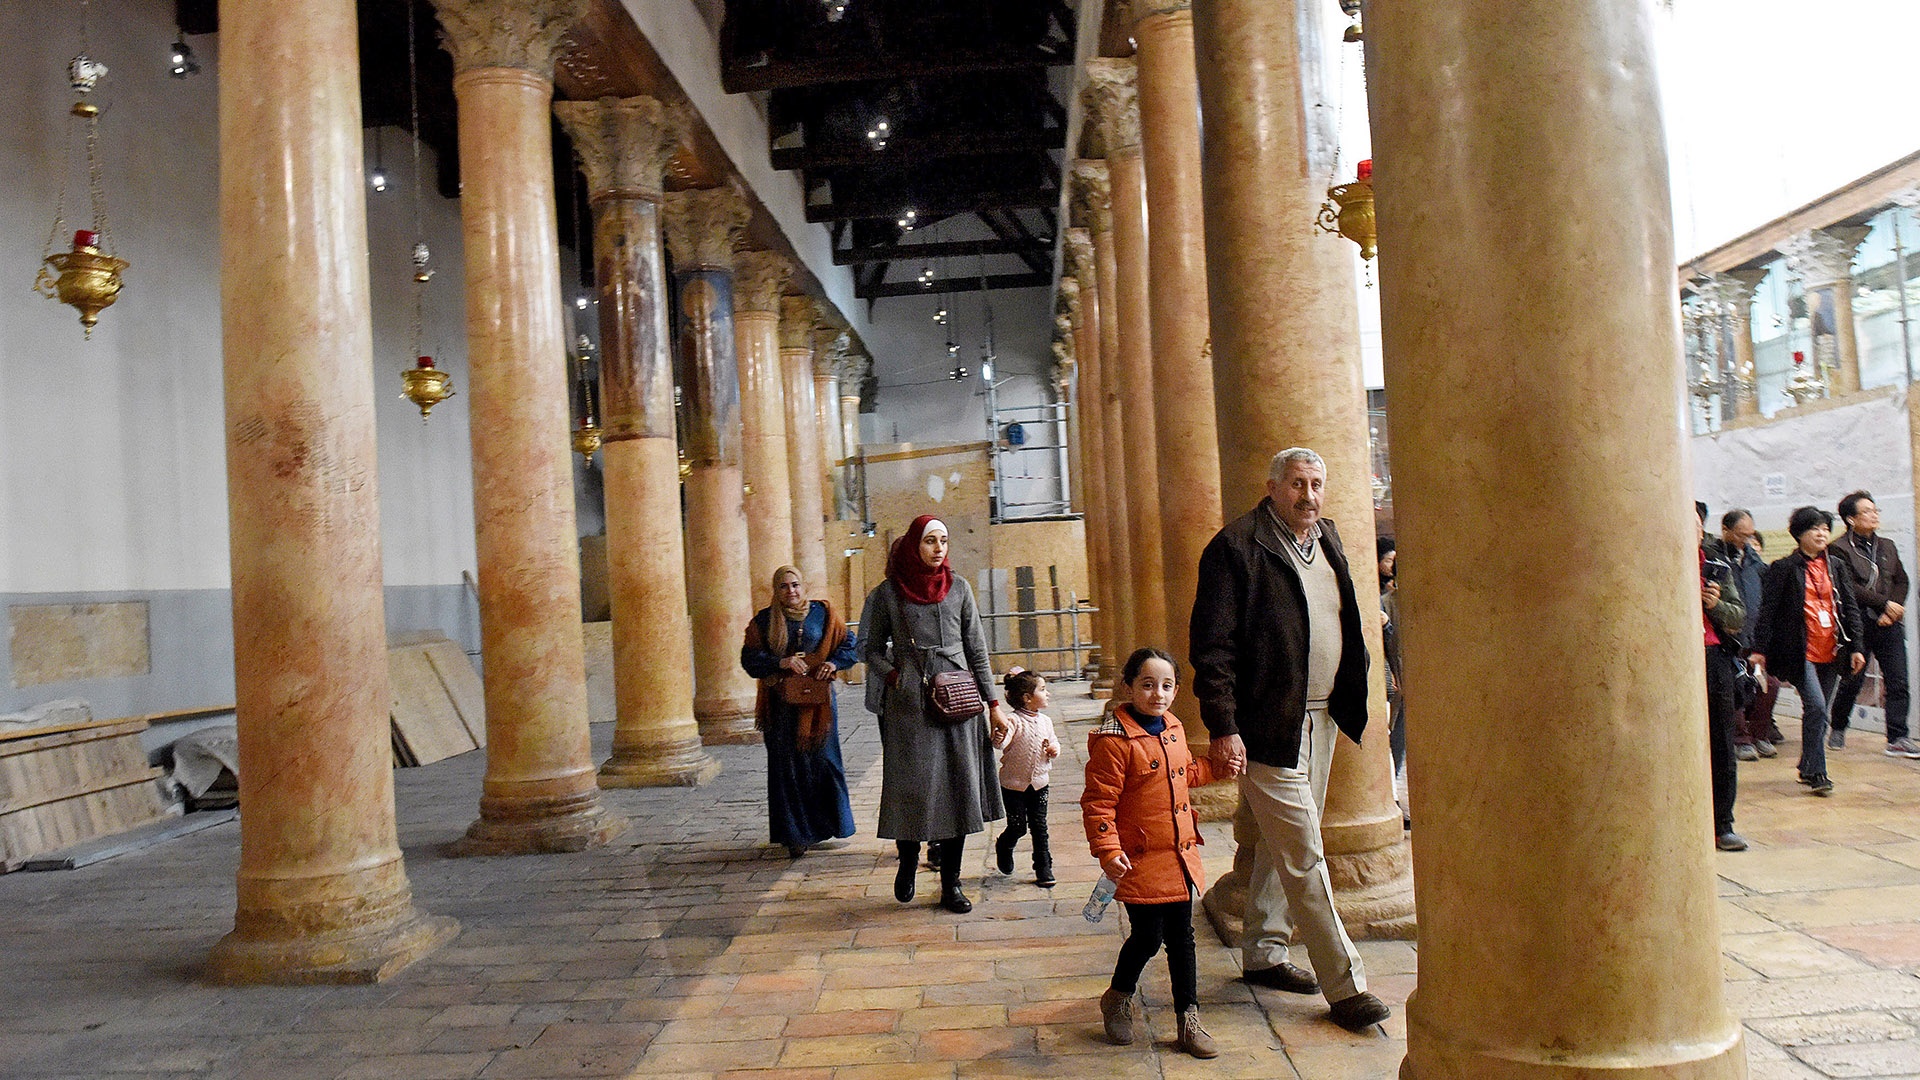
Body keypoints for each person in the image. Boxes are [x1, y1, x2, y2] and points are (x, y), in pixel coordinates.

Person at [1189, 447, 1392, 1034]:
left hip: (1323, 717)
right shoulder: (1237, 547)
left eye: (1318, 484)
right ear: (1273, 487)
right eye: (1298, 484)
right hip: (1265, 727)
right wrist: (1224, 726)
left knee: (1281, 842)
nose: (1309, 495)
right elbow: (1214, 648)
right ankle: (1346, 984)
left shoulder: (1325, 537)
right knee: (1304, 849)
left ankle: (1264, 952)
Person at [1082, 648, 1233, 1059]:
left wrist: (1217, 768)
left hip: (1179, 856)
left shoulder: (1173, 729)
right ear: (1128, 687)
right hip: (1139, 859)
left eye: (1167, 686)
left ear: (1177, 690)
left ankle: (1189, 1018)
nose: (1157, 694)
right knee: (1148, 937)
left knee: (1183, 938)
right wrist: (1107, 849)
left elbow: (1183, 773)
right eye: (1147, 685)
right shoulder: (1114, 742)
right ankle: (1117, 996)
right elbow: (1098, 803)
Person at [861, 515, 1010, 914]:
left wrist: (994, 706)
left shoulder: (959, 588)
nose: (938, 548)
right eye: (930, 541)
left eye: (944, 540)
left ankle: (951, 884)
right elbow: (869, 648)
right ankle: (908, 858)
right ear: (914, 545)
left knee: (960, 790)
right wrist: (896, 677)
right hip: (911, 707)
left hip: (960, 704)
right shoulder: (888, 594)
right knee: (914, 787)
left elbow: (977, 650)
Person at [739, 566, 858, 858]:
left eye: (795, 585)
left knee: (824, 762)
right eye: (783, 587)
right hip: (782, 706)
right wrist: (781, 662)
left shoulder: (824, 614)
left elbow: (850, 645)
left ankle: (827, 825)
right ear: (776, 591)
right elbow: (750, 660)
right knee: (788, 768)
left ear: (803, 587)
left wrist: (835, 664)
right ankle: (795, 835)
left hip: (819, 704)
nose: (790, 591)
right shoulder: (764, 621)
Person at [1747, 506, 1867, 796]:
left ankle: (1807, 764)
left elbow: (1849, 607)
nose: (1821, 533)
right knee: (1815, 707)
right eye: (1815, 528)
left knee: (1820, 711)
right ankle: (1818, 772)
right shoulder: (1784, 568)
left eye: (1825, 528)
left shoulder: (1836, 566)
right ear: (1800, 534)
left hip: (1832, 648)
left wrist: (1857, 647)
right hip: (1800, 650)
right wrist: (1760, 649)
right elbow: (1768, 611)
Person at [1826, 492, 1920, 758]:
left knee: (1898, 680)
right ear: (1851, 519)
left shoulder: (1887, 546)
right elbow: (1848, 588)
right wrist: (1883, 604)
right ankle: (1839, 725)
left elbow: (1901, 580)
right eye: (1867, 511)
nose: (1874, 514)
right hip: (1858, 625)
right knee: (1853, 681)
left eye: (1875, 509)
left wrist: (1894, 609)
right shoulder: (1839, 549)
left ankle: (1898, 737)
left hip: (1887, 624)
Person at [1697, 504, 1747, 851]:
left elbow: (1737, 616)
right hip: (1668, 659)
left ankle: (1722, 824)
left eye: (1696, 524)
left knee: (1720, 742)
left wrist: (1714, 604)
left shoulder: (1714, 567)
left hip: (1712, 657)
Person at [1717, 510, 1778, 760]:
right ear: (1726, 532)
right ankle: (1740, 738)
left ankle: (1760, 734)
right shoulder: (1718, 561)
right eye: (1742, 535)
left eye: (1750, 535)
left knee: (1769, 686)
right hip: (1729, 639)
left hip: (1755, 639)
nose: (1747, 540)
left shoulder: (1756, 563)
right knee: (1736, 687)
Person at [990, 668, 1059, 887]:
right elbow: (1001, 743)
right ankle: (1004, 845)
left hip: (1040, 784)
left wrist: (1054, 749)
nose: (1047, 693)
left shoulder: (1046, 721)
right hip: (1013, 786)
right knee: (1018, 826)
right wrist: (999, 735)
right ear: (1028, 698)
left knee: (1040, 826)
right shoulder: (1013, 721)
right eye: (1042, 689)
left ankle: (1043, 867)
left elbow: (1054, 740)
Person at [1377, 536, 1407, 823]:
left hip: (1406, 682)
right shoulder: (1386, 604)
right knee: (1394, 739)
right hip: (1395, 685)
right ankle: (1391, 798)